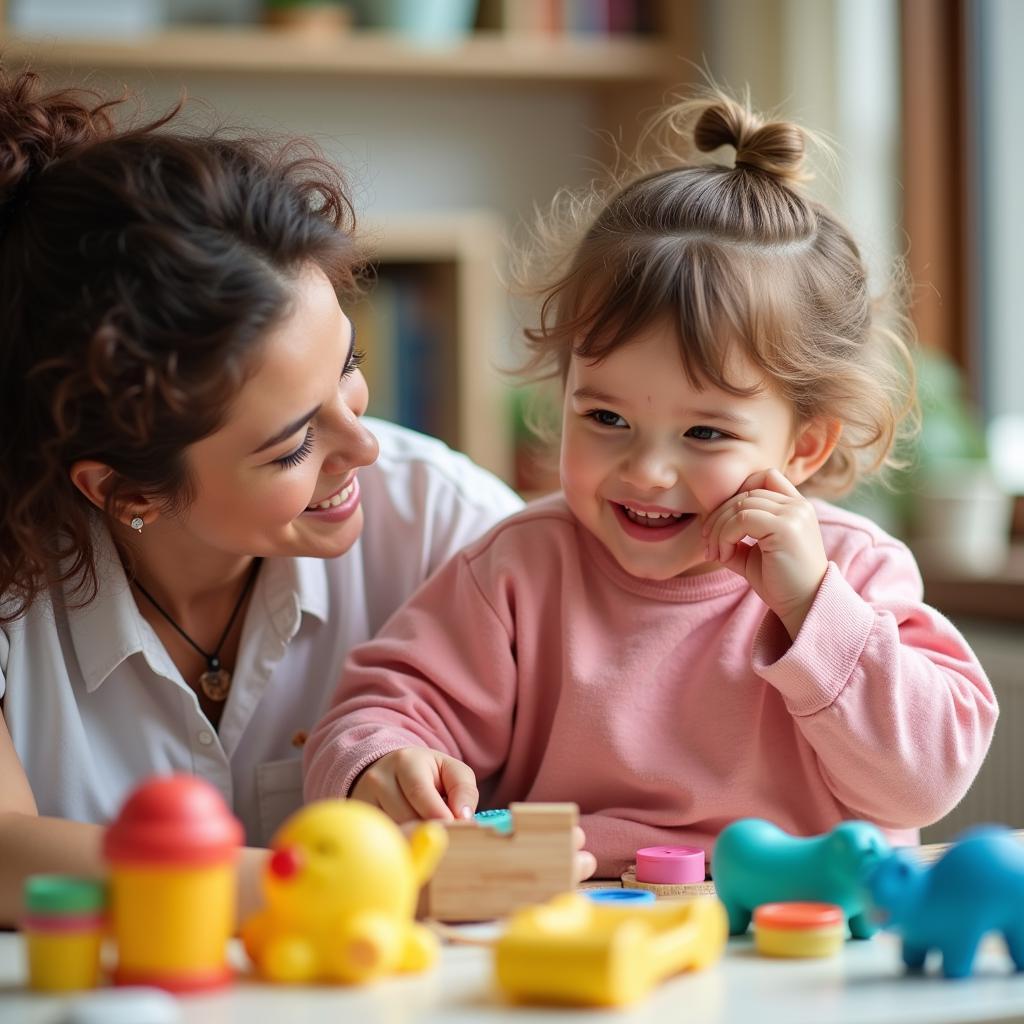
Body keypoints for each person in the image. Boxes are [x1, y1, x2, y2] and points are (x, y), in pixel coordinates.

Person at [304, 91, 999, 878]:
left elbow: (924, 784)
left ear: (806, 445)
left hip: (794, 942)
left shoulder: (855, 575)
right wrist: (384, 764)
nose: (646, 470)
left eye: (704, 433)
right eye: (604, 418)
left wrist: (812, 609)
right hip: (584, 936)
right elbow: (376, 711)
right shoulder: (519, 568)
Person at [0, 68, 529, 927]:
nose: (365, 446)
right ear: (124, 486)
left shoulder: (448, 522)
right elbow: (7, 854)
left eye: (349, 368)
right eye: (292, 444)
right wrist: (354, 885)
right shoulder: (15, 583)